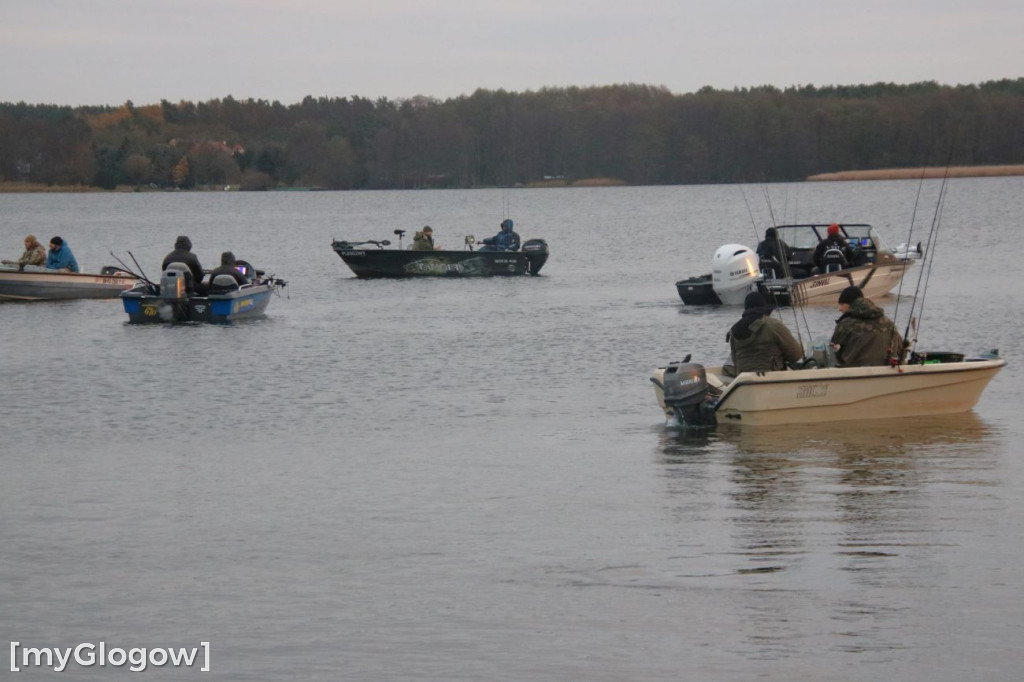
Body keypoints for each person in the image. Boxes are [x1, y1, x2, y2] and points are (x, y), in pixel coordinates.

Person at [727, 291, 804, 373]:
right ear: (764, 309)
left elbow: (735, 359)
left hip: (743, 381)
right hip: (772, 380)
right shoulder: (774, 325)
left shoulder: (733, 330)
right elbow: (796, 355)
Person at [830, 286, 904, 367]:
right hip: (884, 374)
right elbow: (899, 350)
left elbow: (835, 352)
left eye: (842, 304)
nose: (839, 308)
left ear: (850, 305)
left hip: (852, 375)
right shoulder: (888, 323)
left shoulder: (844, 325)